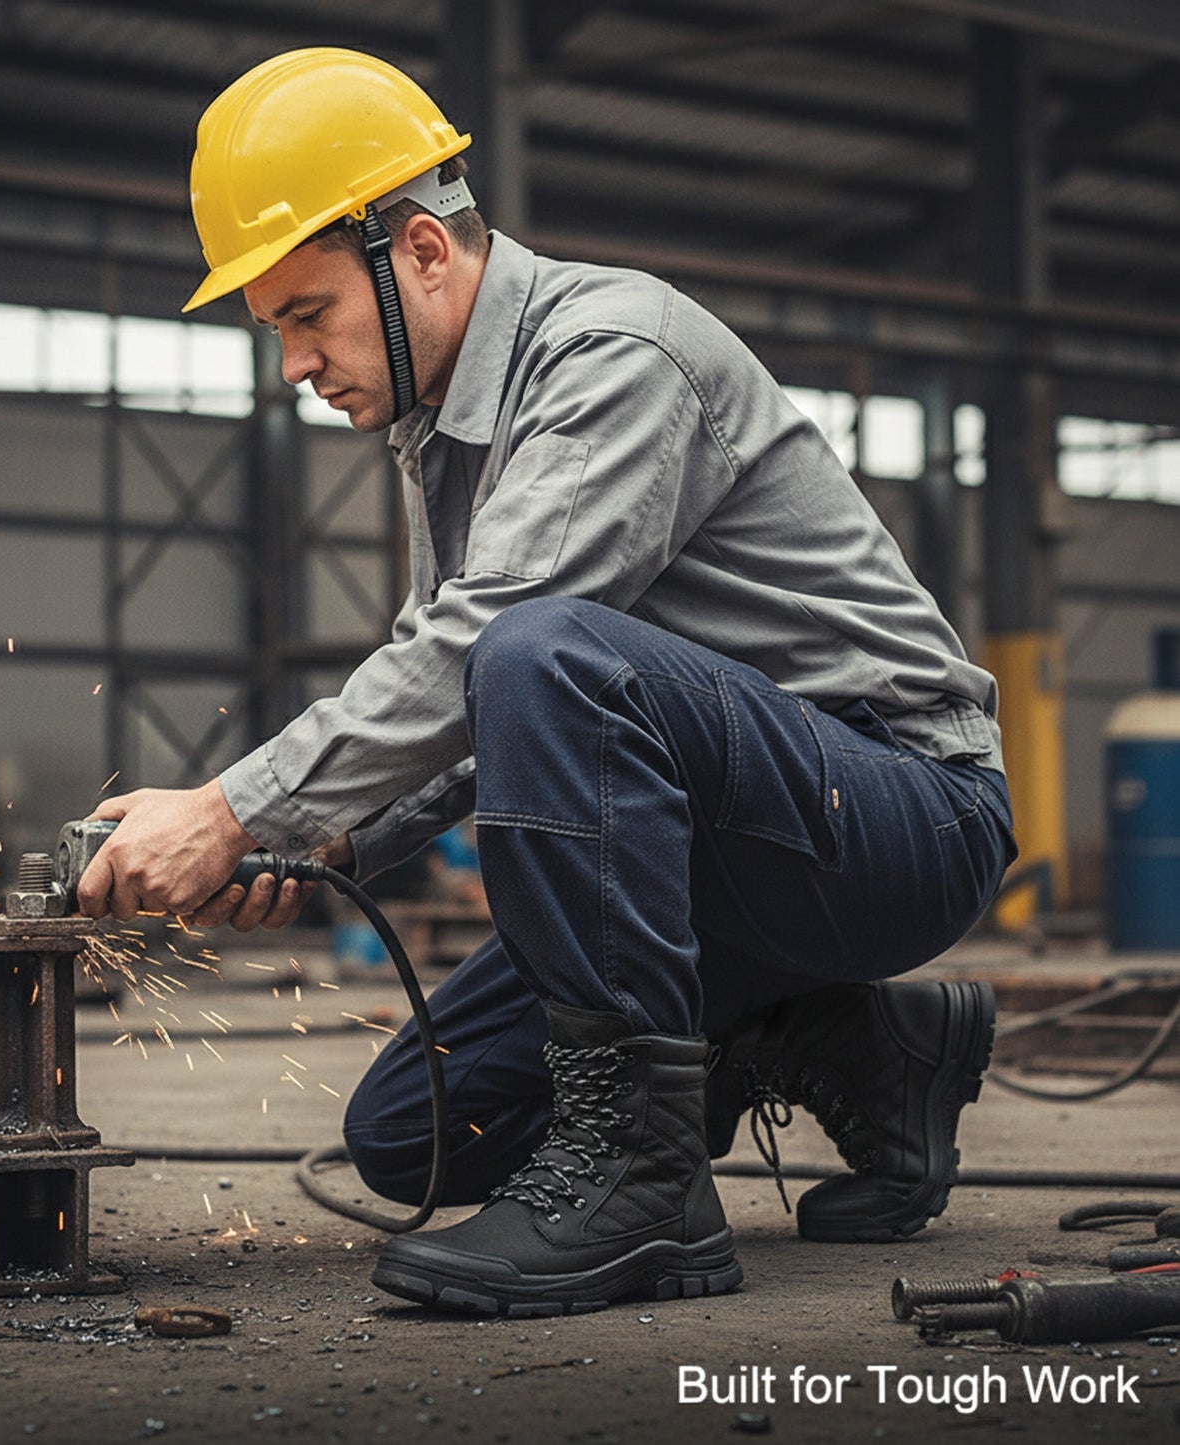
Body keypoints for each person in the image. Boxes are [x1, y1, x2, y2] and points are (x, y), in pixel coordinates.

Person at [77, 47, 1017, 1317]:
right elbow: (487, 714)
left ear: (417, 249)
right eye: (276, 330)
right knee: (414, 1132)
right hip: (735, 852)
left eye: (307, 314)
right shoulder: (443, 429)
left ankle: (643, 1189)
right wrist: (316, 837)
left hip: (902, 810)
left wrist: (235, 807)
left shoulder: (611, 352)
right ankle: (861, 1045)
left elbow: (504, 644)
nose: (293, 363)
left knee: (533, 642)